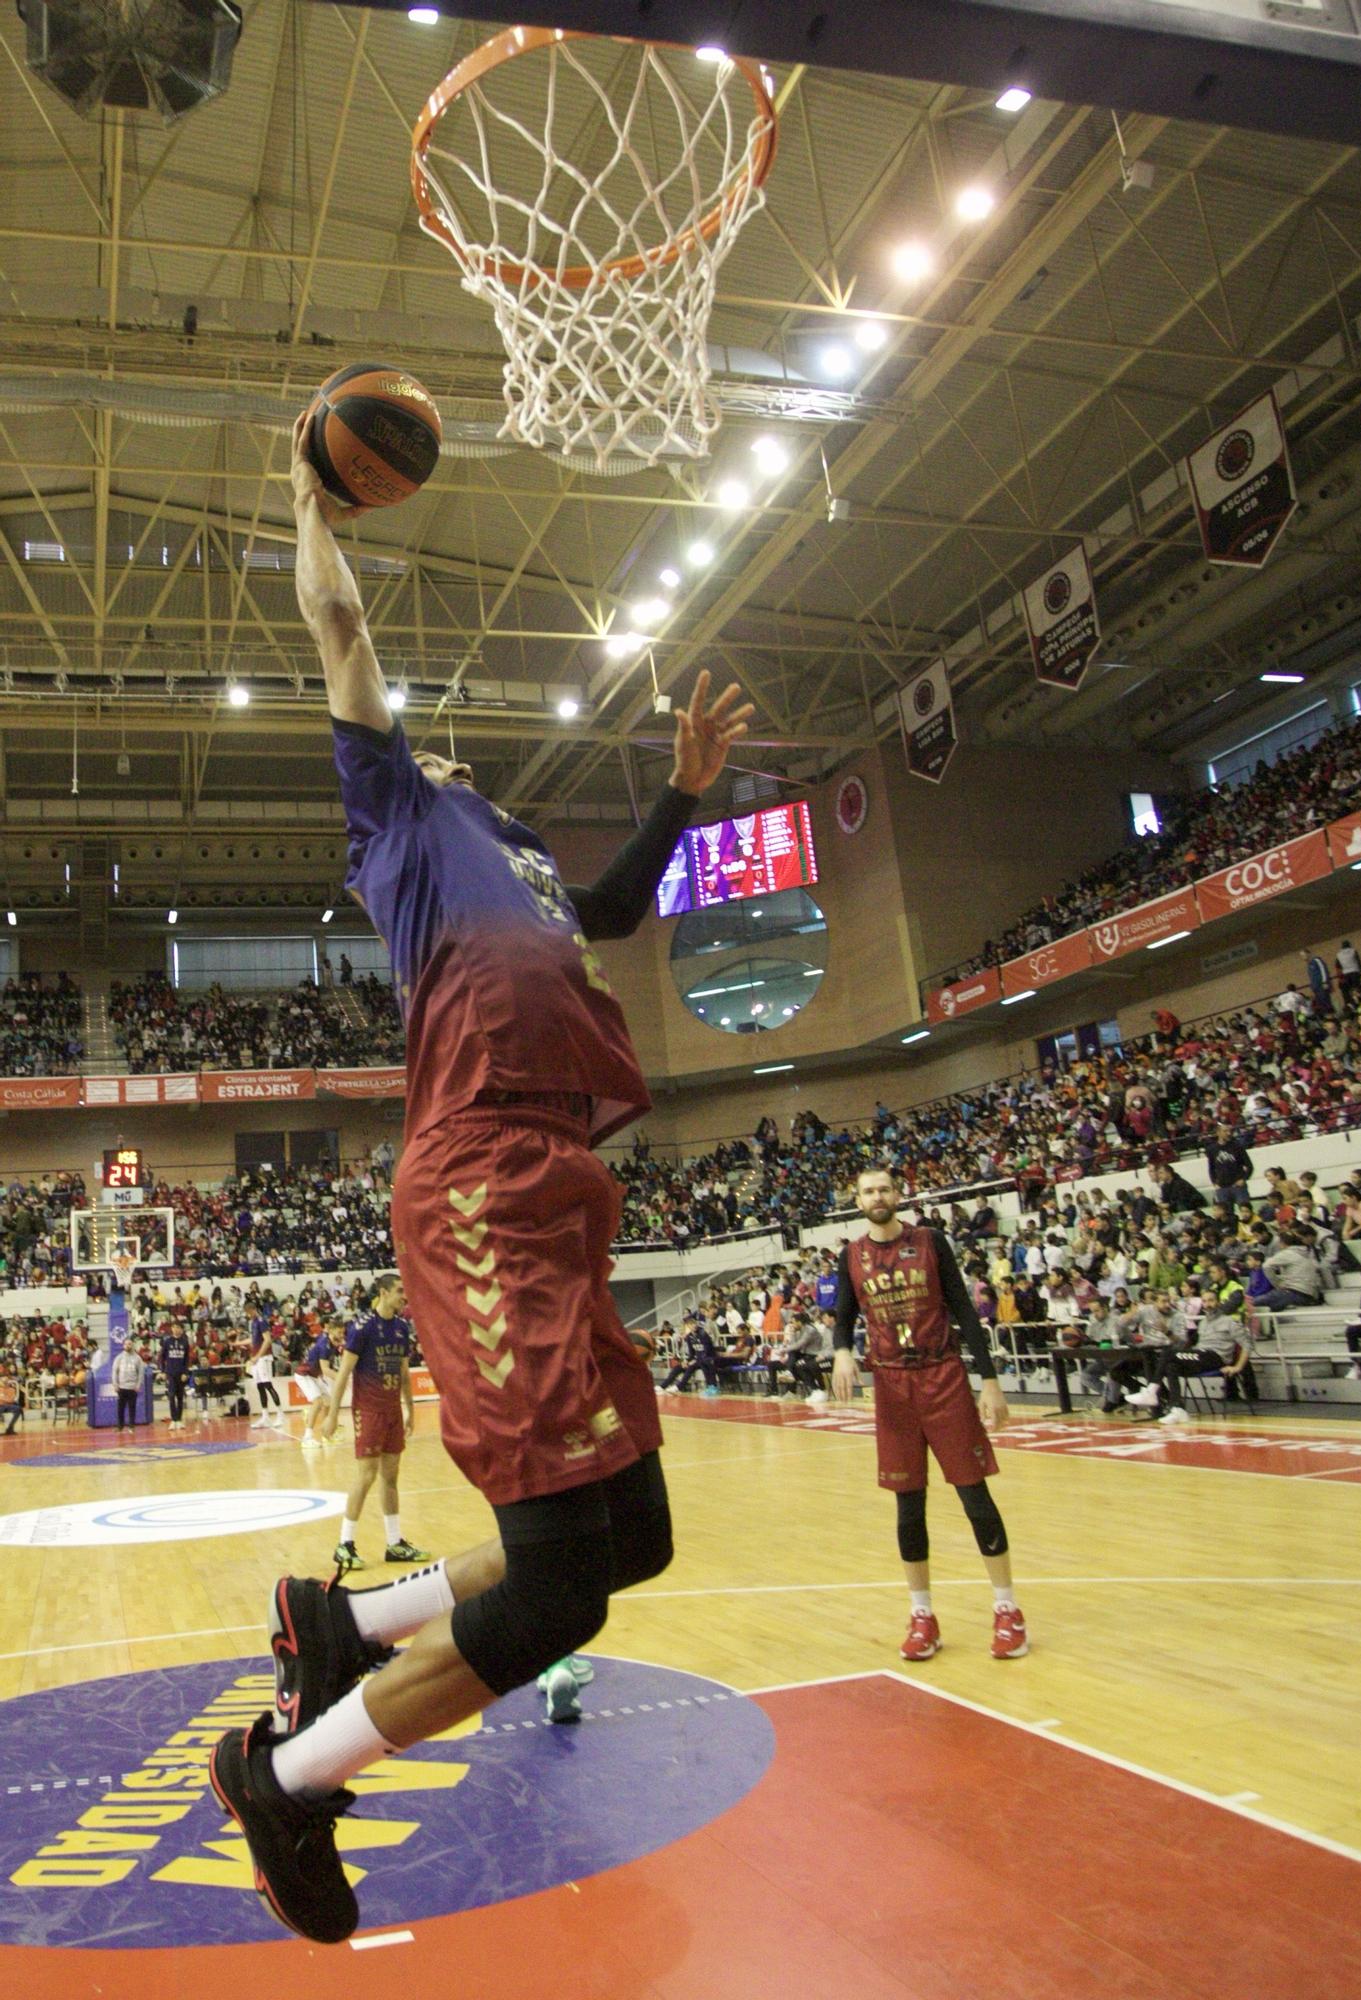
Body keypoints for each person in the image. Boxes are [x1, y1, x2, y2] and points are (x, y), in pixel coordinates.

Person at [209, 414, 753, 1948]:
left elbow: (613, 907)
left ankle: (344, 1621)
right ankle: (293, 1777)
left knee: (629, 1538)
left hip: (562, 1181)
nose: (438, 741)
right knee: (561, 1588)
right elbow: (336, 621)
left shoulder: (509, 849)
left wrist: (682, 791)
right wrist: (308, 498)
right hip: (479, 1183)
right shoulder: (399, 818)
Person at [830, 1166, 1026, 1663]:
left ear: (899, 1195)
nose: (878, 1196)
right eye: (869, 1190)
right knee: (907, 1505)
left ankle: (1008, 1610)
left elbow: (963, 1308)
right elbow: (846, 1315)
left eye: (885, 1188)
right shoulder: (850, 1256)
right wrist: (841, 1352)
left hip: (943, 1376)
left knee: (973, 1493)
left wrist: (990, 1380)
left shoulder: (931, 1242)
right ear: (858, 1200)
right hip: (892, 1387)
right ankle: (923, 1616)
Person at [323, 1275, 428, 1574]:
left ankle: (394, 1542)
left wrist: (410, 1407)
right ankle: (344, 1544)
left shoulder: (401, 1327)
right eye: (399, 1291)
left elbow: (405, 1373)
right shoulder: (361, 1326)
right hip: (368, 1410)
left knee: (391, 1477)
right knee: (366, 1476)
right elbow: (343, 1374)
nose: (403, 1297)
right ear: (383, 1292)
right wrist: (332, 1414)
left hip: (393, 1409)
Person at [290, 1320, 342, 1450]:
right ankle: (307, 1438)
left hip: (314, 1376)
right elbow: (325, 1369)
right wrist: (342, 1378)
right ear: (331, 1330)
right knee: (318, 1402)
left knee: (328, 1402)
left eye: (343, 1332)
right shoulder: (325, 1345)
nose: (342, 1335)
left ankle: (326, 1434)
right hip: (304, 1375)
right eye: (339, 1332)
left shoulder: (331, 1342)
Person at [246, 1312, 286, 1433]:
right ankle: (265, 1416)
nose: (247, 1316)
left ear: (251, 1310)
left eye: (247, 1313)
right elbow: (253, 1340)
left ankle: (280, 1414)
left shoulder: (261, 1321)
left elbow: (267, 1340)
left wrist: (258, 1356)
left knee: (268, 1385)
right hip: (256, 1358)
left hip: (264, 1358)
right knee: (260, 1387)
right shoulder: (252, 1322)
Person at [159, 1319, 192, 1429]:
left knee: (180, 1397)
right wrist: (163, 1371)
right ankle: (173, 1419)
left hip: (181, 1374)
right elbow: (161, 1357)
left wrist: (185, 1373)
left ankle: (179, 1419)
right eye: (174, 1327)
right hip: (171, 1373)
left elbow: (187, 1359)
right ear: (172, 1329)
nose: (176, 1329)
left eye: (178, 1327)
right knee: (171, 1396)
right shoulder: (167, 1341)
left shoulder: (185, 1342)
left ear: (182, 1330)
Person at [111, 1339, 144, 1430]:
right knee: (120, 1408)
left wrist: (138, 1385)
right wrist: (115, 1384)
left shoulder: (137, 1358)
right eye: (126, 1344)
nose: (128, 1346)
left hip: (132, 1387)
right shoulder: (119, 1358)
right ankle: (120, 1426)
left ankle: (131, 1426)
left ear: (132, 1345)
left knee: (132, 1407)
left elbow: (140, 1372)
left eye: (129, 1344)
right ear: (123, 1345)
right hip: (121, 1386)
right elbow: (114, 1371)